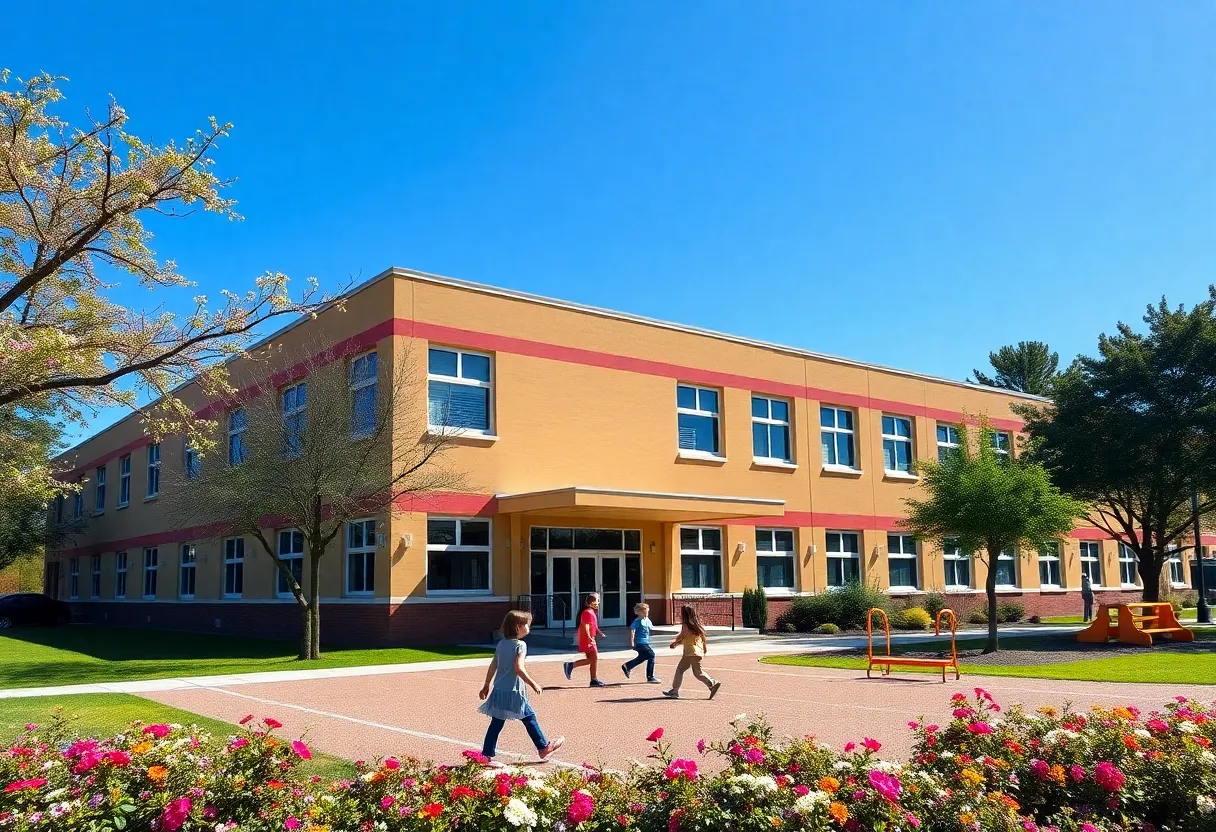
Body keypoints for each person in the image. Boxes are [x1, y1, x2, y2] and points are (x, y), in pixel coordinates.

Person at [478, 610, 565, 764]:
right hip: (514, 691)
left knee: (497, 722)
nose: (528, 627)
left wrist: (486, 684)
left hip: (499, 689)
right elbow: (519, 668)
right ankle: (543, 748)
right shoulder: (520, 645)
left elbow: (494, 665)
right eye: (526, 624)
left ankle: (486, 754)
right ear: (518, 627)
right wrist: (533, 683)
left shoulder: (501, 643)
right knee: (529, 717)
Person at [663, 605, 721, 700]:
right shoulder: (697, 625)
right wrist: (704, 649)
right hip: (697, 652)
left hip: (689, 653)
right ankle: (711, 684)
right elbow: (698, 639)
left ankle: (712, 683)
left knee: (684, 671)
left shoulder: (686, 625)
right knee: (696, 672)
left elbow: (682, 635)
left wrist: (675, 642)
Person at [563, 592, 606, 687]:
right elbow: (586, 626)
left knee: (592, 659)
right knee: (593, 659)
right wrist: (590, 637)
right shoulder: (587, 612)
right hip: (588, 639)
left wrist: (599, 632)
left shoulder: (591, 612)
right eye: (597, 600)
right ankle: (571, 665)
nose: (598, 603)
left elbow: (593, 625)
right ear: (592, 602)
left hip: (590, 638)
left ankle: (593, 679)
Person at [621, 602, 661, 683]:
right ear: (639, 612)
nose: (646, 613)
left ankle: (627, 666)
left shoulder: (647, 620)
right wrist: (631, 641)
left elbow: (652, 629)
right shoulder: (637, 620)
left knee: (643, 657)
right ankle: (650, 677)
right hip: (639, 642)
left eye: (647, 611)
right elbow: (632, 630)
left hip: (645, 642)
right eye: (644, 612)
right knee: (651, 655)